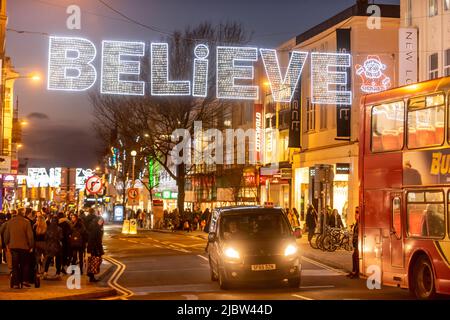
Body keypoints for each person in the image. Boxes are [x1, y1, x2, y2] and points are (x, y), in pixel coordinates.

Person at [4, 208, 34, 288]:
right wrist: (31, 246)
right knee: (25, 264)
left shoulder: (10, 222)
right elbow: (30, 236)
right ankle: (24, 280)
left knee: (15, 264)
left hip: (13, 246)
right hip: (24, 247)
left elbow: (6, 235)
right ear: (23, 214)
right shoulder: (26, 222)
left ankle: (16, 283)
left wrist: (6, 244)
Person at [87, 216, 105, 282]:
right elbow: (93, 240)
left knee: (94, 262)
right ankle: (91, 277)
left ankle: (91, 276)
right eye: (100, 221)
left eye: (102, 221)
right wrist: (90, 250)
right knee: (95, 262)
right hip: (95, 248)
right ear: (97, 221)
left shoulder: (98, 228)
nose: (101, 222)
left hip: (95, 248)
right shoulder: (96, 229)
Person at [348, 207, 360, 279]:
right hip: (356, 243)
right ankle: (354, 271)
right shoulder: (357, 222)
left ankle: (356, 272)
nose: (355, 214)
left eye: (357, 212)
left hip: (359, 243)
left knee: (356, 257)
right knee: (354, 256)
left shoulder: (360, 223)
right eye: (355, 212)